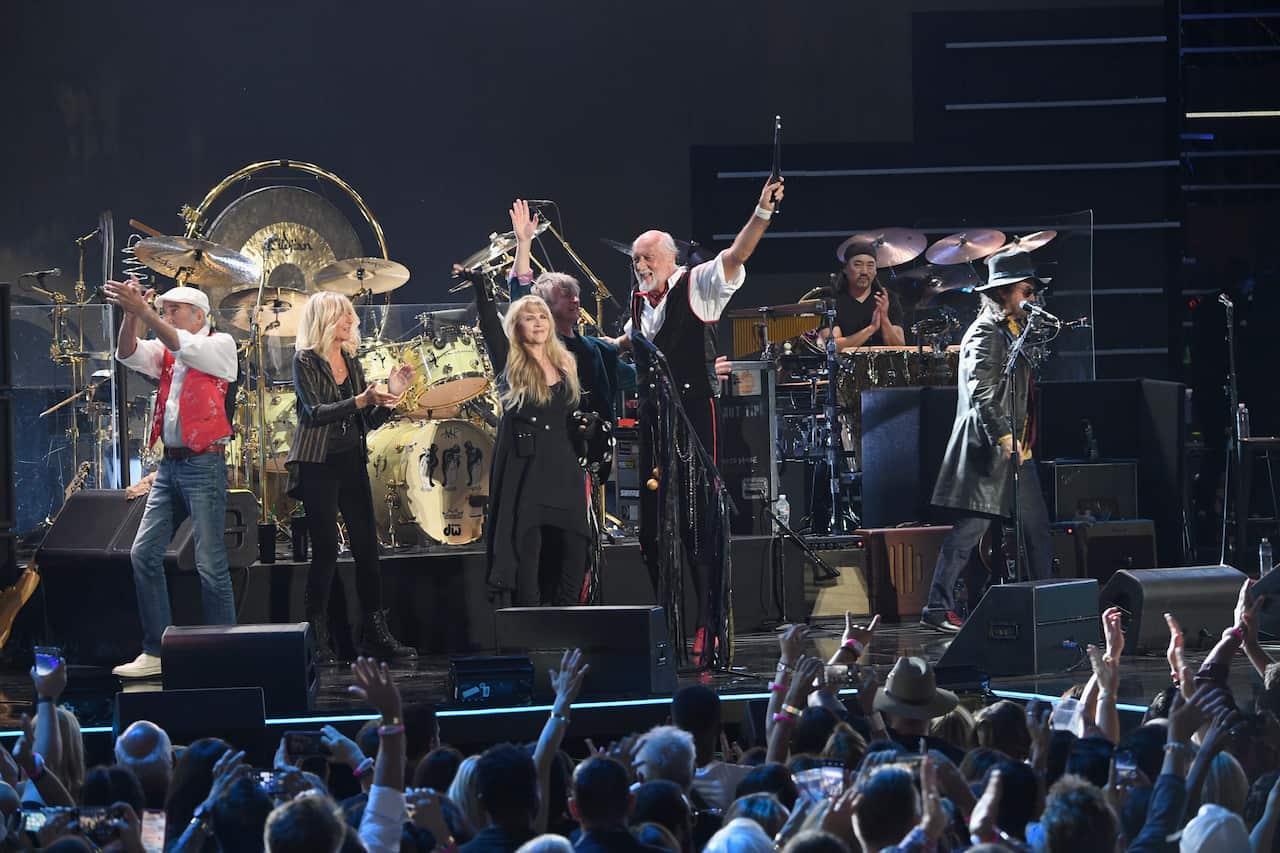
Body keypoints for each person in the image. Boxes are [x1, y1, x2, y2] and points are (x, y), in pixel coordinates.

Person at [614, 177, 784, 664]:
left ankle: (709, 621)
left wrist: (761, 213)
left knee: (694, 522)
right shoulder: (636, 308)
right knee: (652, 528)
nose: (640, 265)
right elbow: (623, 344)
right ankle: (668, 617)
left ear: (671, 259)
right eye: (636, 259)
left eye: (647, 258)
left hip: (691, 419)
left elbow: (737, 254)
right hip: (653, 423)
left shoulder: (699, 283)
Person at [103, 278, 238, 679]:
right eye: (163, 310)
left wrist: (144, 313)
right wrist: (131, 317)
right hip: (170, 466)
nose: (166, 316)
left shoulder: (220, 344)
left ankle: (226, 649)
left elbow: (186, 347)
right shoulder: (166, 348)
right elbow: (127, 353)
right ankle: (157, 649)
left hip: (204, 463)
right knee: (143, 553)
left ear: (199, 315)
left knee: (210, 562)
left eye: (173, 310)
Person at [921, 247, 1054, 633]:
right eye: (1025, 292)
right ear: (1002, 293)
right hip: (990, 451)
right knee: (968, 533)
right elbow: (983, 392)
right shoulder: (984, 332)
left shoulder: (1013, 333)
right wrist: (1006, 437)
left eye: (1032, 292)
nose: (1031, 300)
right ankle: (936, 606)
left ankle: (1045, 605)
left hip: (1014, 452)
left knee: (1036, 530)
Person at [287, 291, 417, 663]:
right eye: (343, 315)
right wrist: (362, 399)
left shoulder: (351, 360)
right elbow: (314, 412)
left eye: (350, 315)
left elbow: (366, 423)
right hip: (317, 464)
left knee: (367, 549)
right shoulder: (305, 360)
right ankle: (318, 637)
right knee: (326, 549)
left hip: (350, 461)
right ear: (326, 320)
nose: (351, 321)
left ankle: (376, 633)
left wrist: (392, 394)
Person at [484, 294, 591, 606]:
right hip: (528, 469)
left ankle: (567, 618)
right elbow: (491, 327)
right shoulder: (511, 362)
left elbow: (575, 411)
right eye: (530, 318)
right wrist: (482, 290)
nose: (539, 323)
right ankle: (531, 626)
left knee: (574, 545)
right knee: (527, 547)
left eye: (542, 316)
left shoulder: (565, 362)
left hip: (563, 464)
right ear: (516, 327)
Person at [825, 238, 905, 348]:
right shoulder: (833, 301)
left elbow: (899, 346)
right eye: (857, 265)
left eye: (870, 265)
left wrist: (884, 319)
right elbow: (833, 346)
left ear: (876, 270)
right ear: (845, 269)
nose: (864, 271)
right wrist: (871, 329)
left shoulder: (887, 299)